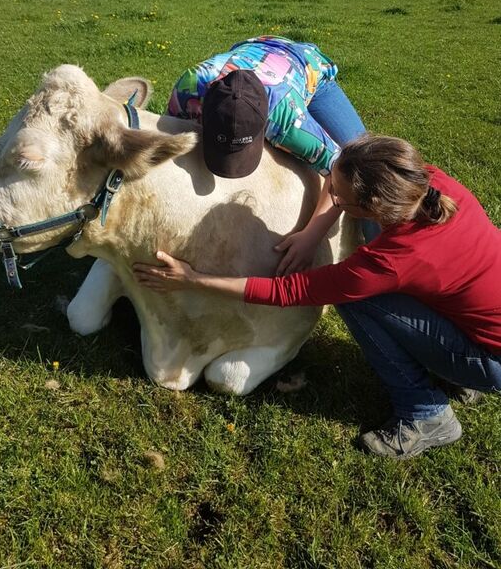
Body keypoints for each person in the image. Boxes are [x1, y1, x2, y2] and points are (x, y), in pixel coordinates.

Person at [133, 134, 501, 459]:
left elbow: (288, 291)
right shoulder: (428, 184)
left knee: (357, 299)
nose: (331, 195)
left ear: (372, 207)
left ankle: (426, 412)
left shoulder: (392, 262)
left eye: (339, 196)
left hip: (491, 360)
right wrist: (313, 231)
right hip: (483, 322)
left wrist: (194, 279)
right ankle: (454, 369)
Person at [168, 35, 377, 273]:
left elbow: (341, 168)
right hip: (252, 52)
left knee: (368, 171)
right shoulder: (186, 92)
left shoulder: (283, 119)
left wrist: (310, 237)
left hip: (306, 67)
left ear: (265, 129)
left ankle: (382, 259)